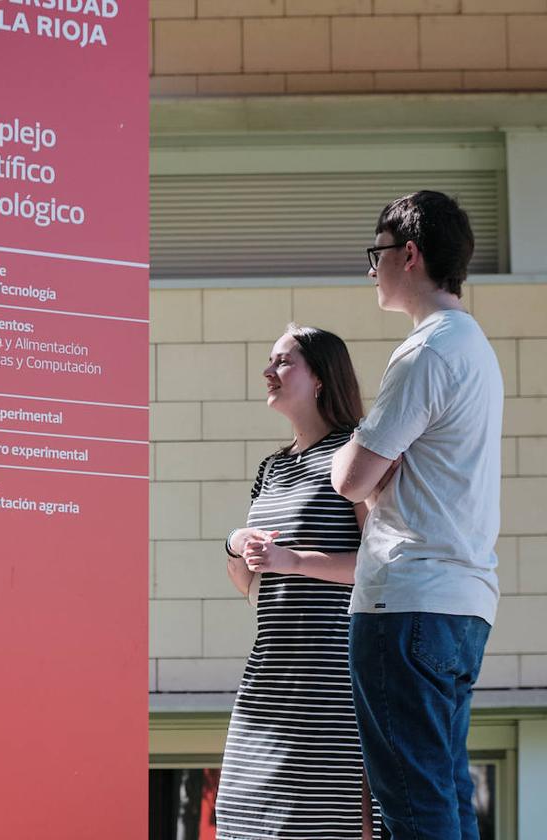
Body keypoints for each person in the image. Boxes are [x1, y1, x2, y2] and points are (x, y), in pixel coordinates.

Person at [331, 191, 502, 840]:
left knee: (413, 804)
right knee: (445, 794)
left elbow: (349, 476)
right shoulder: (475, 347)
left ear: (410, 255)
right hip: (463, 602)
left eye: (376, 255)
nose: (371, 269)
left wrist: (363, 466)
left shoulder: (425, 350)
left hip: (406, 603)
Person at [217, 325, 380, 840]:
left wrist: (295, 561)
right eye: (271, 360)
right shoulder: (271, 467)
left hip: (330, 678)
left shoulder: (355, 452)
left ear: (320, 379)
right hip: (270, 670)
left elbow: (381, 565)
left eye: (284, 362)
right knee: (244, 818)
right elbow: (249, 584)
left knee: (317, 824)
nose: (269, 371)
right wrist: (235, 544)